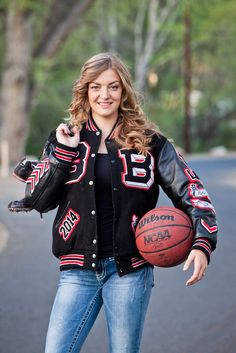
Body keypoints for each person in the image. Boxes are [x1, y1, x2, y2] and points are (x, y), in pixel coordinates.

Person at [8, 52, 217, 353]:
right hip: (77, 272)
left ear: (124, 91)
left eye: (113, 86)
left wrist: (202, 243)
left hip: (130, 272)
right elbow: (40, 199)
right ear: (85, 91)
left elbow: (191, 190)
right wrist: (63, 155)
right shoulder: (66, 138)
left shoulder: (151, 142)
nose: (104, 95)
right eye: (95, 87)